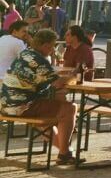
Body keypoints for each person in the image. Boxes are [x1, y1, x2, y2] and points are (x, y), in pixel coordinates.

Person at [0, 29, 77, 164]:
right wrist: (73, 76)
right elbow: (57, 83)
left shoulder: (25, 53)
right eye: (52, 45)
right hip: (21, 106)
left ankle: (66, 151)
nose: (53, 49)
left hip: (5, 104)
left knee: (50, 112)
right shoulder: (39, 60)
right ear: (46, 45)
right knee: (70, 108)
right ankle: (64, 153)